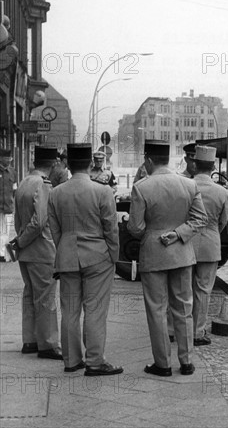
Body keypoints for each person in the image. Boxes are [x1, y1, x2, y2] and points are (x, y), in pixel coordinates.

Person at [127, 140, 207, 377]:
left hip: (153, 254)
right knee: (184, 308)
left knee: (157, 309)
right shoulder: (189, 184)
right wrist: (178, 234)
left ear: (149, 160)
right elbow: (199, 219)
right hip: (182, 254)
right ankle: (187, 361)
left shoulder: (141, 187)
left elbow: (135, 227)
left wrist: (150, 233)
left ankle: (162, 364)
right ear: (168, 159)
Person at [48, 143, 123, 376]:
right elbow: (111, 227)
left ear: (68, 165)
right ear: (91, 164)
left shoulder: (55, 193)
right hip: (98, 256)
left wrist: (64, 250)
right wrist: (114, 255)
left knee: (69, 310)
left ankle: (71, 360)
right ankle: (94, 361)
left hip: (68, 254)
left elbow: (55, 230)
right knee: (95, 310)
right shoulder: (102, 191)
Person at [12, 146, 62, 360]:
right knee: (45, 298)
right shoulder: (43, 184)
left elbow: (18, 219)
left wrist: (19, 240)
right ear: (52, 164)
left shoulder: (24, 182)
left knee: (30, 295)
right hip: (42, 251)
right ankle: (48, 344)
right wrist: (23, 239)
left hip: (26, 252)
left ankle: (30, 340)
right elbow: (40, 221)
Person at [189, 145, 228, 346]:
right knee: (203, 290)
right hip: (210, 243)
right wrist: (212, 232)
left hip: (185, 242)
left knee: (181, 288)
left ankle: (173, 329)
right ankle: (197, 332)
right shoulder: (221, 192)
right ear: (213, 166)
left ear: (195, 164)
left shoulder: (185, 185)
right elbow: (224, 221)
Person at [0, 147, 17, 262]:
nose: (9, 160)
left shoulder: (13, 172)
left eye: (10, 158)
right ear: (1, 158)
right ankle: (3, 254)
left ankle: (3, 255)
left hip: (8, 207)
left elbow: (15, 189)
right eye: (7, 158)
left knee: (5, 232)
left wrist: (11, 201)